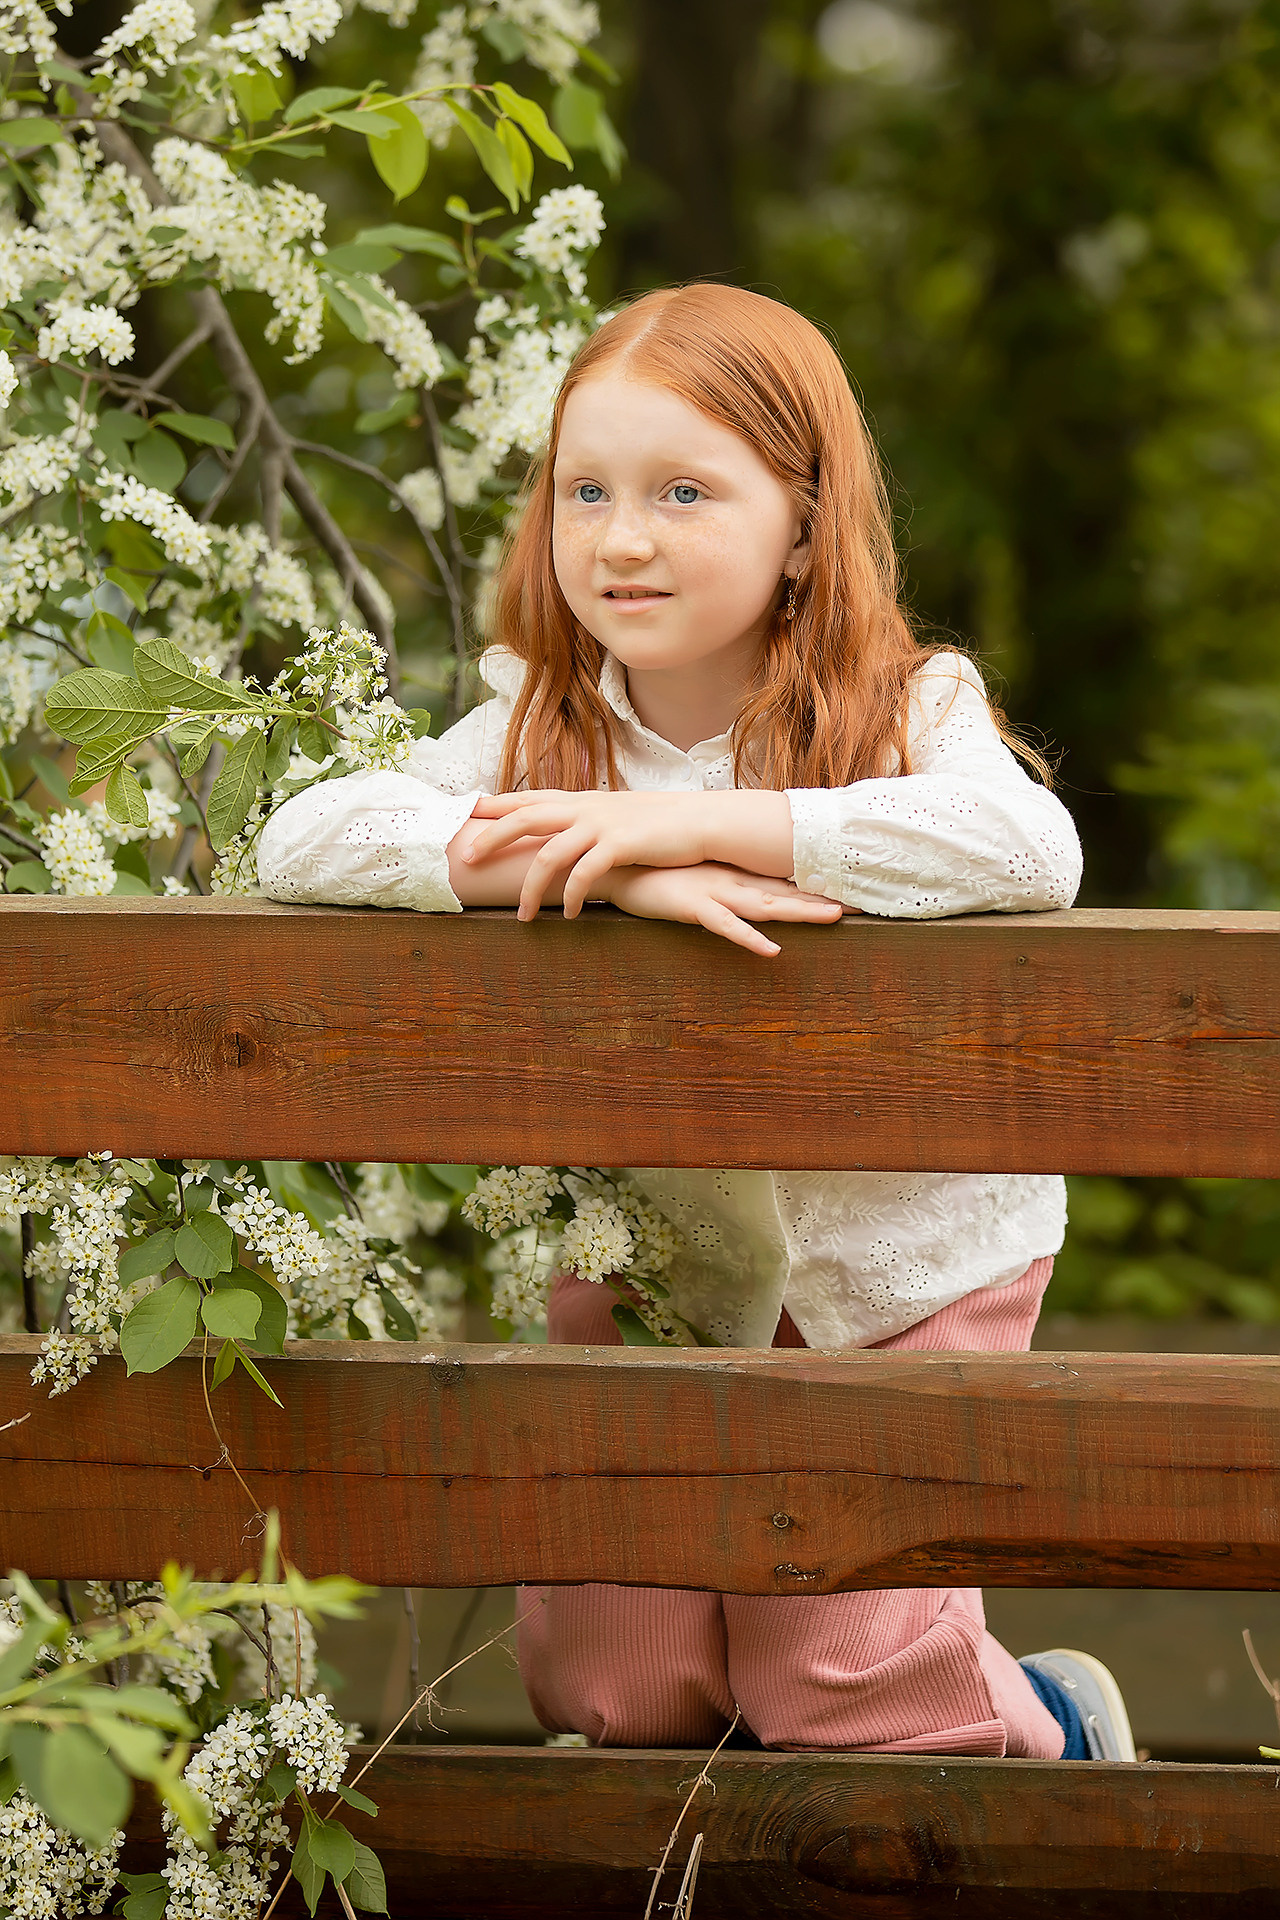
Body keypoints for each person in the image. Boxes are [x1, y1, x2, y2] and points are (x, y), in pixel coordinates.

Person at [258, 282, 1134, 1763]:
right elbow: (307, 839)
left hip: (893, 1272)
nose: (623, 537)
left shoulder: (910, 702)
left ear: (802, 524)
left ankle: (1047, 1716)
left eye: (684, 491)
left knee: (843, 1689)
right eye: (585, 490)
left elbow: (1027, 850)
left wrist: (703, 827)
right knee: (620, 1696)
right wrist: (604, 857)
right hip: (664, 1258)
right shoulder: (543, 722)